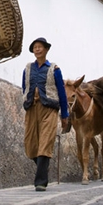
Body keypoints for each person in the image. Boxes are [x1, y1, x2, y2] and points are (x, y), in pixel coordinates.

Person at [21, 37, 69, 192]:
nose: (37, 49)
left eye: (40, 47)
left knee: (45, 142)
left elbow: (61, 93)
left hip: (49, 109)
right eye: (35, 47)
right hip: (32, 108)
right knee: (30, 144)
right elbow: (24, 87)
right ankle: (44, 166)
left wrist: (64, 115)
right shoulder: (28, 69)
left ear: (46, 50)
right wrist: (27, 99)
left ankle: (40, 181)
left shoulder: (54, 69)